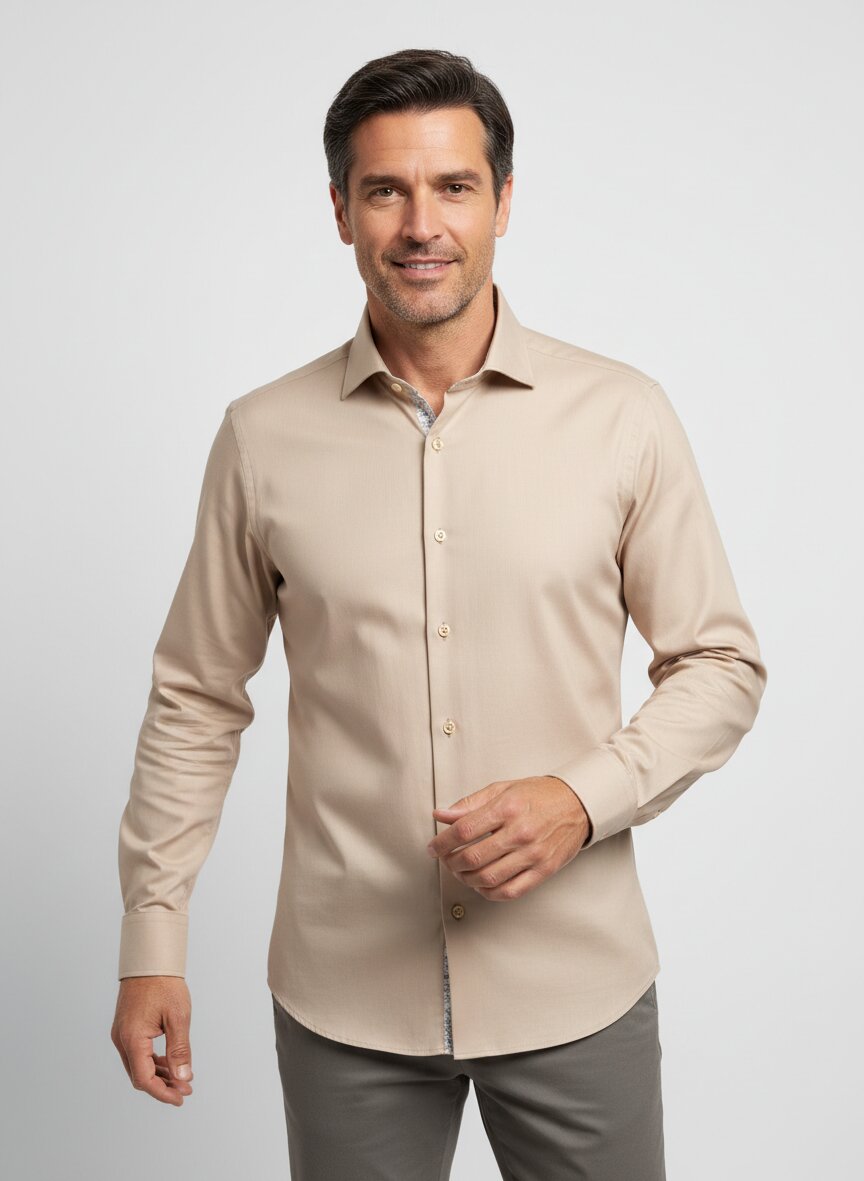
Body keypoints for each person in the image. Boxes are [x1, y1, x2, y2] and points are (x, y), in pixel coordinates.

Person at [110, 47, 767, 1181]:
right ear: (341, 211)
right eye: (386, 190)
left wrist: (582, 798)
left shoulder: (623, 416)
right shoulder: (263, 438)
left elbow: (719, 663)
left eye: (454, 186)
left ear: (503, 201)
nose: (422, 224)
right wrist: (150, 937)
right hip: (345, 1000)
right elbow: (197, 697)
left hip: (577, 986)